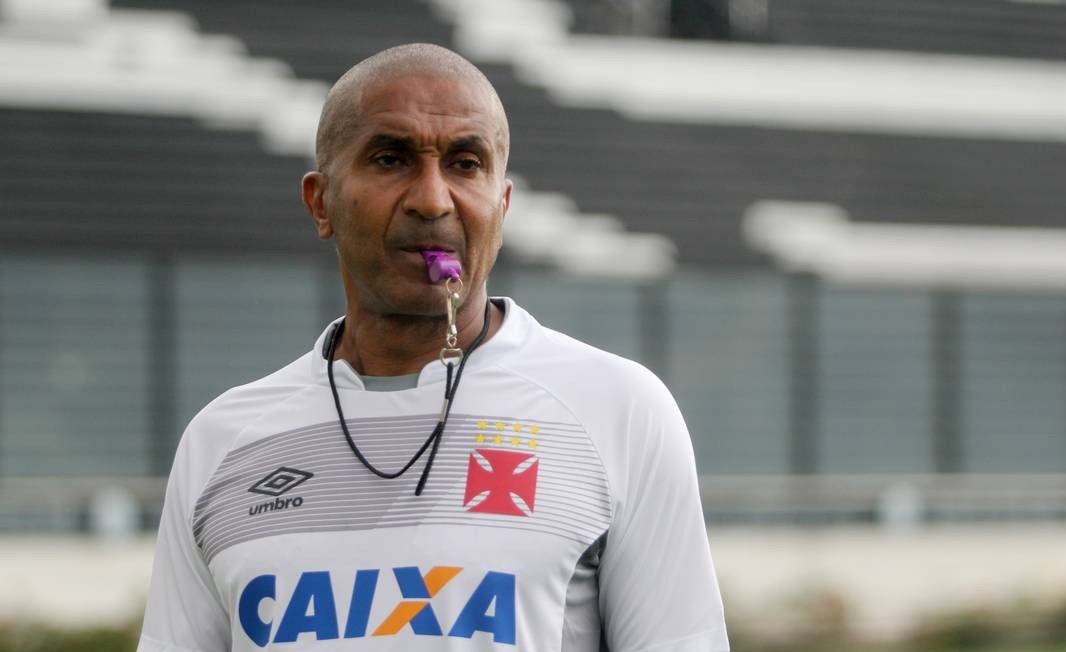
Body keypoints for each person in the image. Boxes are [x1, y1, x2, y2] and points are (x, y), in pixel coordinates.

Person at [137, 43, 728, 651]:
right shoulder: (223, 441)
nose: (432, 200)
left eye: (465, 164)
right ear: (321, 202)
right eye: (390, 159)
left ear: (502, 205)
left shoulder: (617, 410)